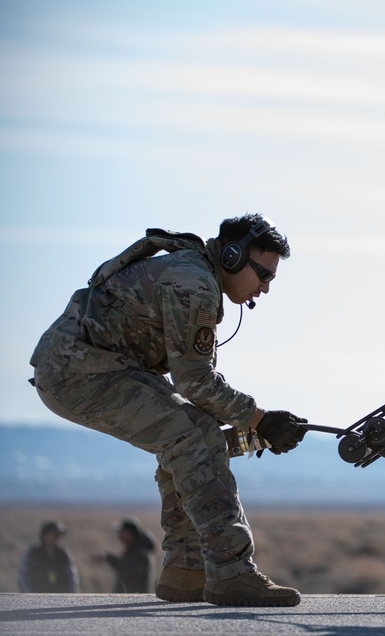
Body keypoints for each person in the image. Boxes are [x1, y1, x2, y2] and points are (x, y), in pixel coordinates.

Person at [29, 213, 309, 607]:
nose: (264, 287)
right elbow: (195, 382)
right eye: (263, 274)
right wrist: (260, 419)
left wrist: (255, 426)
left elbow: (195, 387)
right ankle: (231, 574)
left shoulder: (195, 273)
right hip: (79, 372)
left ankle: (187, 571)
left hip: (86, 368)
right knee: (192, 435)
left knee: (192, 430)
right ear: (231, 257)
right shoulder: (193, 282)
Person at [95, 517, 156, 593]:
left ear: (132, 534)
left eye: (123, 533)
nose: (120, 536)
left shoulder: (140, 553)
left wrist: (109, 558)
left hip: (136, 599)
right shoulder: (135, 549)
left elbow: (129, 571)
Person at [18, 520, 80, 593]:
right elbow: (23, 577)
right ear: (45, 535)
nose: (57, 538)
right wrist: (30, 596)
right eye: (54, 535)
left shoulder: (64, 554)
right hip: (36, 598)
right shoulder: (33, 553)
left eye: (58, 536)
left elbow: (73, 579)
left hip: (61, 600)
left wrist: (68, 597)